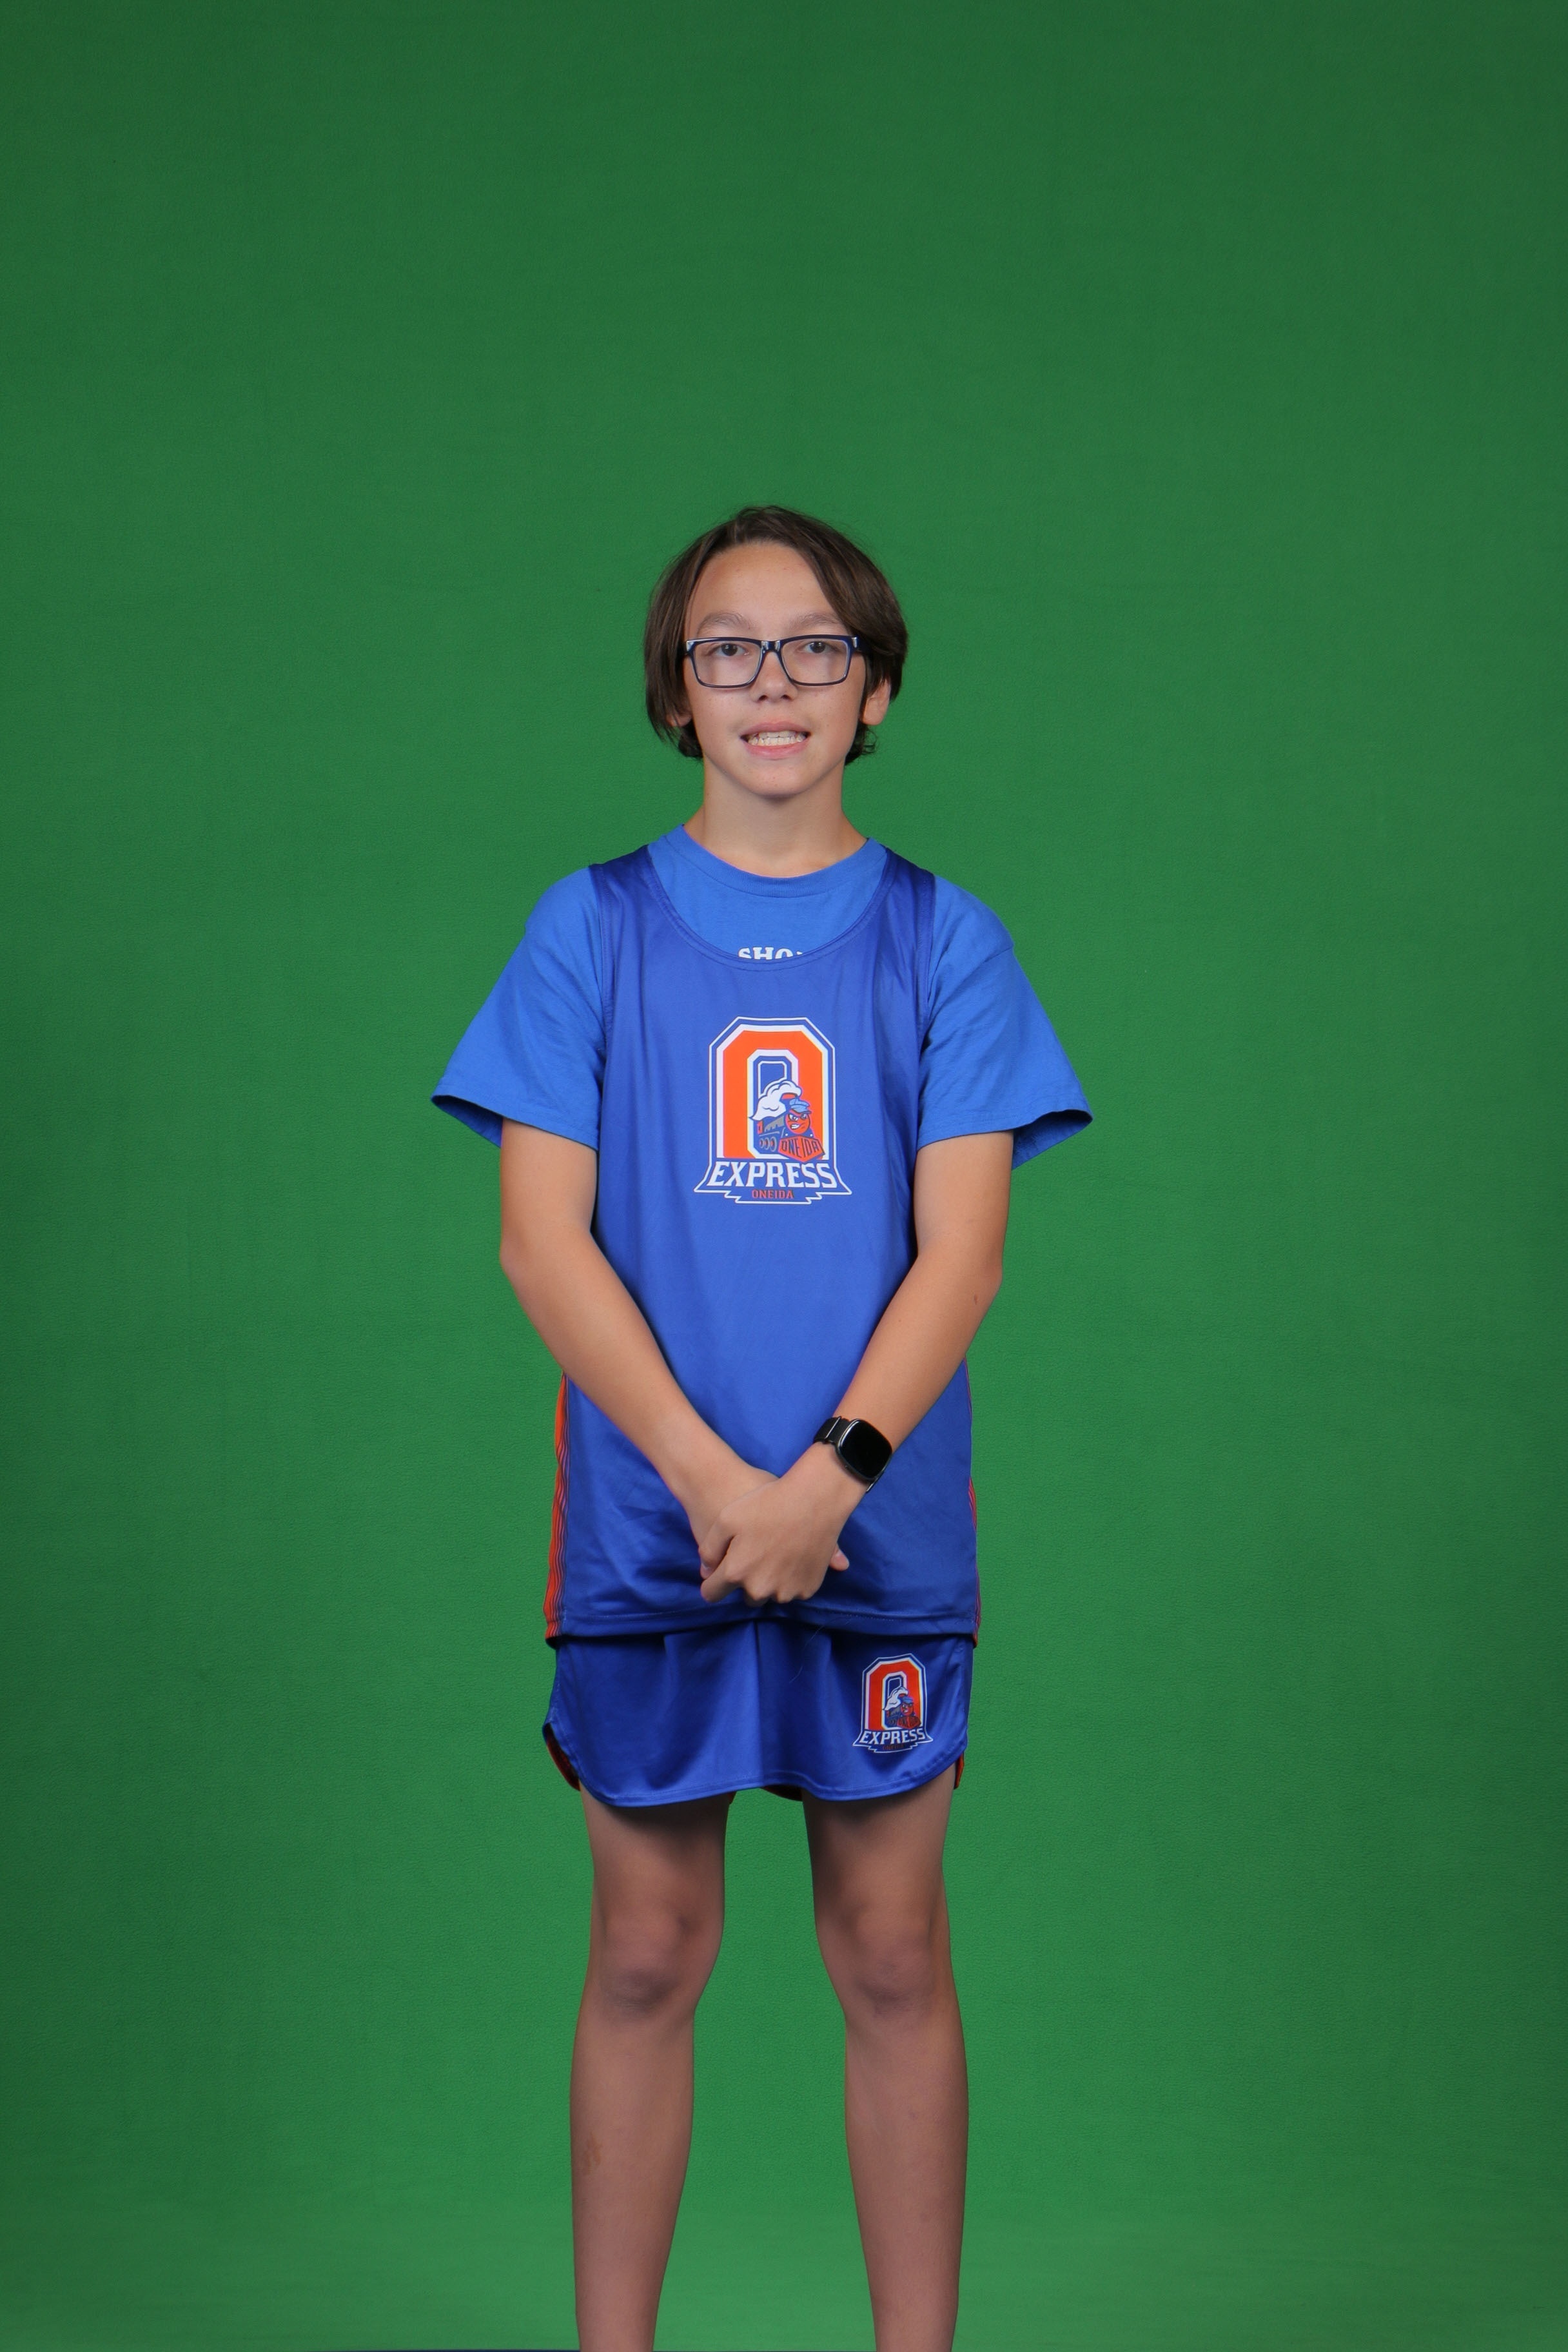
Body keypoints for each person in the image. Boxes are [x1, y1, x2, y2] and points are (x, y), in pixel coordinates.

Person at [433, 506, 1090, 2352]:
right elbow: (540, 1241)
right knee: (647, 1954)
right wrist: (721, 1481)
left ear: (874, 692)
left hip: (881, 1532)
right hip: (660, 1530)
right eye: (730, 648)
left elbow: (964, 1253)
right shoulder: (591, 927)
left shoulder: (947, 941)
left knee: (891, 1954)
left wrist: (829, 1481)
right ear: (677, 691)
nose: (772, 681)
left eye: (815, 648)